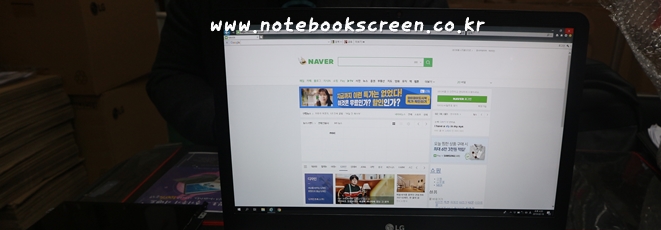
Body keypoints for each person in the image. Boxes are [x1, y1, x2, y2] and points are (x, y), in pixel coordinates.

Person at [147, 0, 448, 146]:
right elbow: (172, 74)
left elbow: (446, 58)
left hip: (384, 146)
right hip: (246, 164)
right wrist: (232, 124)